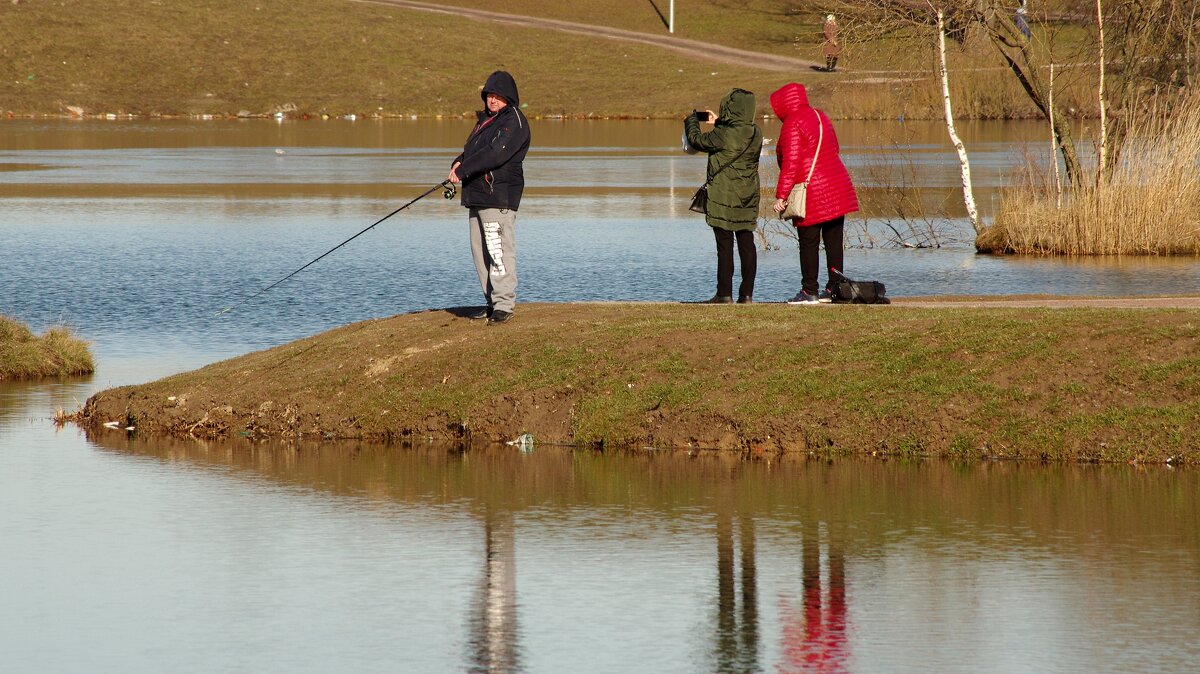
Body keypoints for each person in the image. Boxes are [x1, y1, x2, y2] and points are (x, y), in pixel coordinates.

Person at [448, 71, 531, 325]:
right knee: (480, 252)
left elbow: (495, 154)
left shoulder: (513, 121)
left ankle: (504, 304)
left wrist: (463, 171)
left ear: (508, 97)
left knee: (498, 250)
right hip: (478, 195)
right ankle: (491, 302)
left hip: (498, 197)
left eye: (497, 96)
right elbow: (472, 151)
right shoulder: (486, 121)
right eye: (489, 96)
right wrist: (458, 162)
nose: (492, 101)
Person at [770, 82, 858, 304]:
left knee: (808, 241)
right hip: (838, 184)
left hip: (813, 191)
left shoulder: (792, 123)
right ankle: (835, 289)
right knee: (834, 242)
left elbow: (791, 163)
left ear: (782, 104)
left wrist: (781, 195)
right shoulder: (820, 115)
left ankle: (809, 290)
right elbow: (834, 147)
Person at [684, 88, 762, 304]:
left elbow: (696, 140)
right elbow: (734, 136)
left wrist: (691, 120)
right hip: (748, 196)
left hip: (723, 196)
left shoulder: (723, 135)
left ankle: (724, 294)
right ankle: (746, 295)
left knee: (725, 245)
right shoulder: (756, 133)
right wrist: (720, 123)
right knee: (747, 243)